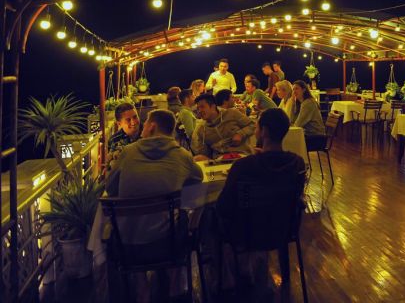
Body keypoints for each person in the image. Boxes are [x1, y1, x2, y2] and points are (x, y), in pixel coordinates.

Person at [106, 109, 202, 242]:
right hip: (168, 241)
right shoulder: (183, 156)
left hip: (128, 242)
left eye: (145, 122)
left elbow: (110, 189)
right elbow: (197, 182)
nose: (142, 125)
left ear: (152, 127)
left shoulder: (127, 153)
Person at [216, 107, 306, 240]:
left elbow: (223, 206)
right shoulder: (297, 163)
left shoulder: (243, 166)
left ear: (264, 131)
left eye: (257, 127)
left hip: (248, 233)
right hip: (284, 228)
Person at [191, 93, 256, 159]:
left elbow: (252, 124)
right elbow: (204, 152)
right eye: (198, 108)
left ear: (213, 106)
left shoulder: (232, 114)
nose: (199, 111)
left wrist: (241, 134)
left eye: (202, 107)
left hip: (242, 156)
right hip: (220, 161)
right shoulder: (201, 130)